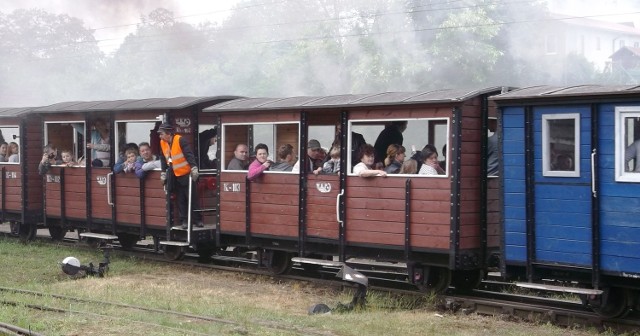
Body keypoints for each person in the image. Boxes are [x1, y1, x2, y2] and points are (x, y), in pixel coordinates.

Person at [158, 123, 202, 229]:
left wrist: (194, 168)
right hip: (175, 175)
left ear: (168, 134)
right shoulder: (162, 143)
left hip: (186, 174)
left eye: (161, 134)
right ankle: (184, 221)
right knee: (181, 199)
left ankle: (198, 220)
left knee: (192, 198)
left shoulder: (180, 140)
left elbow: (189, 154)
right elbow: (163, 159)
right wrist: (163, 172)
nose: (160, 136)